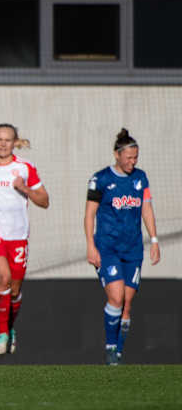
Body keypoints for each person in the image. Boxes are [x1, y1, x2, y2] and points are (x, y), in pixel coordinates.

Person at [0, 123, 49, 356]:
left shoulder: (25, 168)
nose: (3, 144)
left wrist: (25, 189)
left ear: (14, 142)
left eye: (7, 140)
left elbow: (44, 201)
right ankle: (2, 333)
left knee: (14, 290)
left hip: (18, 235)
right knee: (3, 277)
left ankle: (9, 328)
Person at [84, 128, 160, 365]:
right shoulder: (100, 179)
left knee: (126, 305)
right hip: (107, 248)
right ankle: (110, 349)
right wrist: (90, 246)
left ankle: (118, 352)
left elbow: (146, 208)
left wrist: (154, 240)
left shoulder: (141, 178)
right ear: (117, 155)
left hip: (133, 250)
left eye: (135, 157)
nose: (132, 162)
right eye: (128, 157)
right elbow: (89, 215)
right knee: (116, 298)